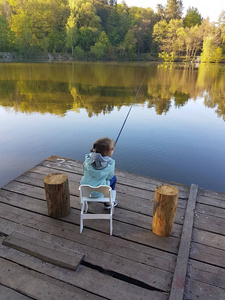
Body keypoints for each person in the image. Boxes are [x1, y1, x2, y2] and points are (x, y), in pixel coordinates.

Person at [80, 137, 117, 209]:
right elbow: (109, 177)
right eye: (112, 148)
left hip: (85, 189)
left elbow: (84, 170)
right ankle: (108, 202)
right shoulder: (111, 163)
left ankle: (87, 198)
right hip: (100, 192)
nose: (113, 149)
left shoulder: (88, 159)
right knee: (114, 178)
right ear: (106, 152)